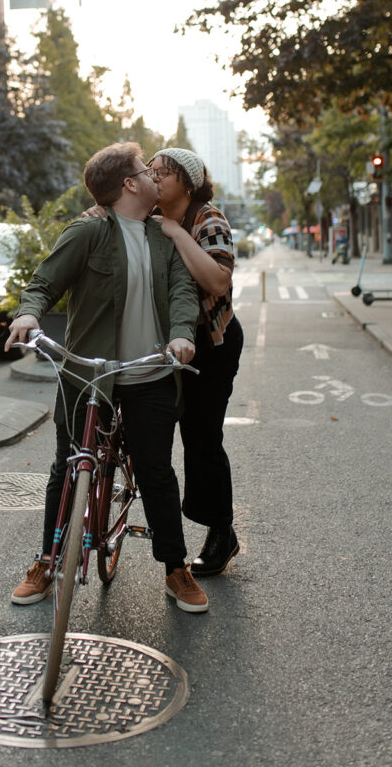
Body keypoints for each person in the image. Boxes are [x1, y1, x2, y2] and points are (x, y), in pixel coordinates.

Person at [5, 142, 210, 613]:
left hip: (151, 372)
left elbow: (183, 292)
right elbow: (43, 283)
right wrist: (27, 316)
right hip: (88, 377)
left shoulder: (164, 236)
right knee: (68, 464)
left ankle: (175, 568)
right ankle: (47, 561)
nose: (154, 175)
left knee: (157, 473)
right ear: (129, 184)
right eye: (146, 169)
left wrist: (182, 336)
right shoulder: (88, 231)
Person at [148, 148, 243, 576]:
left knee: (203, 436)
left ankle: (223, 532)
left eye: (163, 172)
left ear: (186, 182)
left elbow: (218, 281)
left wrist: (175, 232)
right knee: (171, 432)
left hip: (212, 343)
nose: (154, 177)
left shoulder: (208, 218)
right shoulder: (149, 213)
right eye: (150, 171)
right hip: (171, 341)